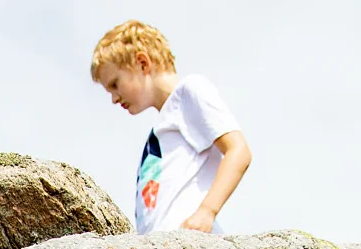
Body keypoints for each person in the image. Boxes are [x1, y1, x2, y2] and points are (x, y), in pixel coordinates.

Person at [90, 20, 251, 235]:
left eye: (115, 84)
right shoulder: (161, 129)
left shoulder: (189, 91)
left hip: (192, 241)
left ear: (142, 63)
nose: (114, 98)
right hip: (160, 246)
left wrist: (206, 212)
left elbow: (238, 150)